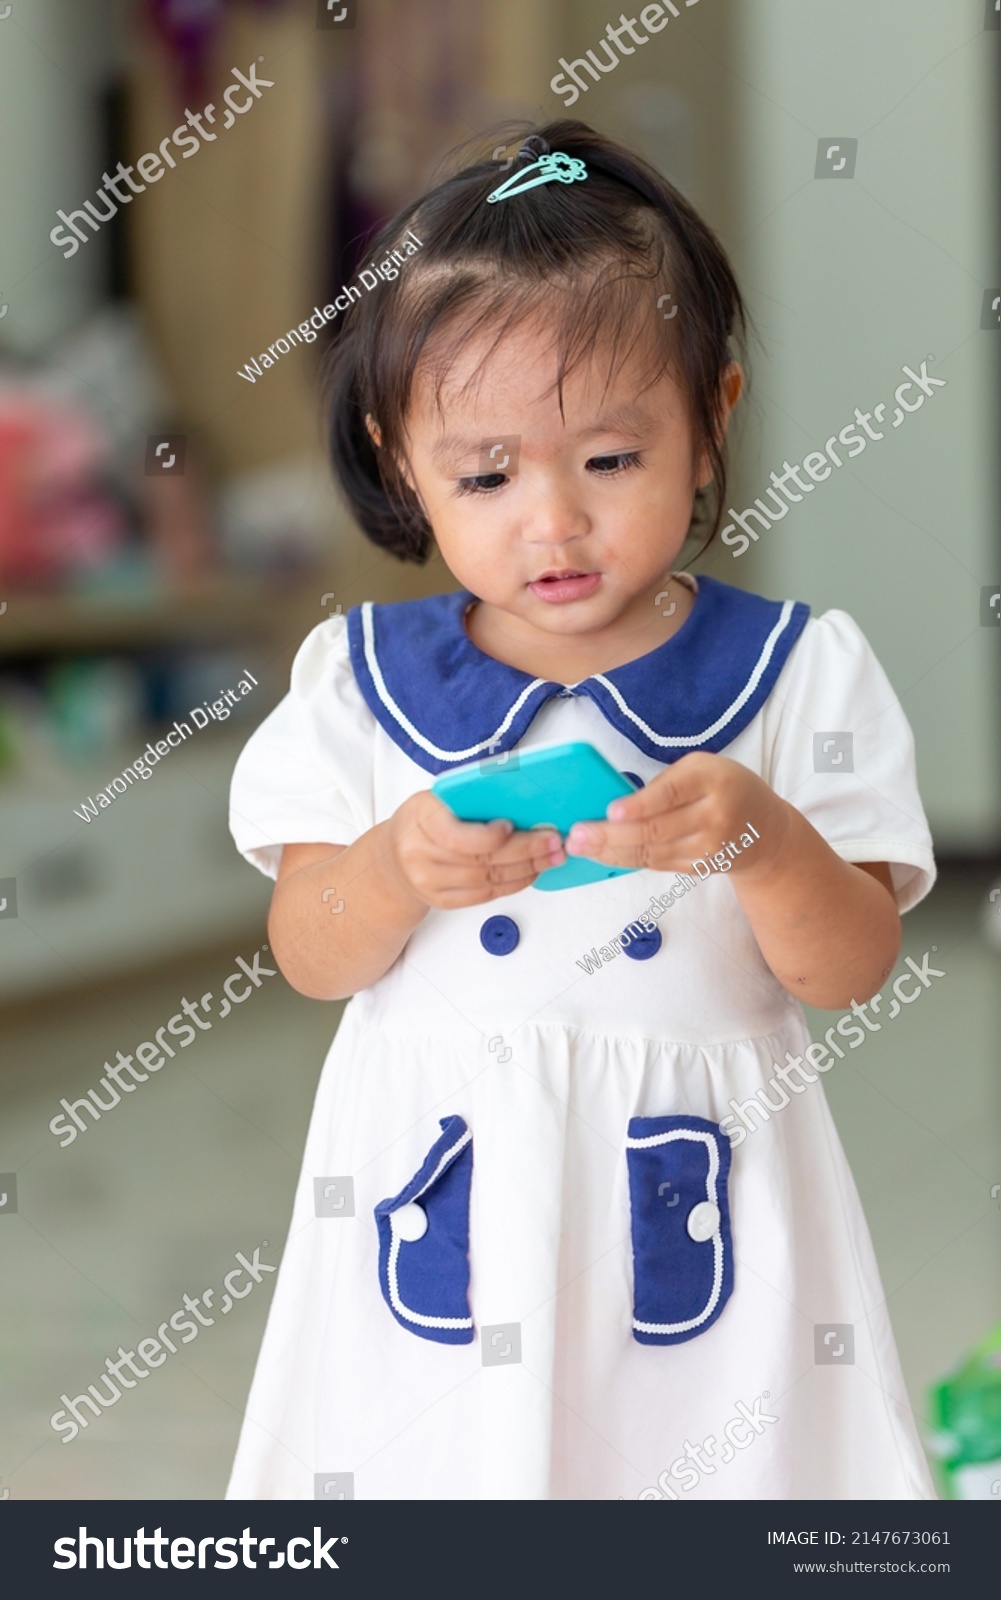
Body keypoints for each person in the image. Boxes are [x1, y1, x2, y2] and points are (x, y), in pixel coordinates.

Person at [225, 122, 936, 1500]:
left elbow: (846, 967)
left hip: (693, 1177)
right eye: (487, 475)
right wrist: (390, 867)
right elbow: (312, 951)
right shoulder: (359, 684)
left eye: (608, 461)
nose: (551, 524)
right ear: (400, 460)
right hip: (447, 1188)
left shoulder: (796, 670)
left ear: (710, 417)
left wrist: (763, 839)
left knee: (702, 1468)